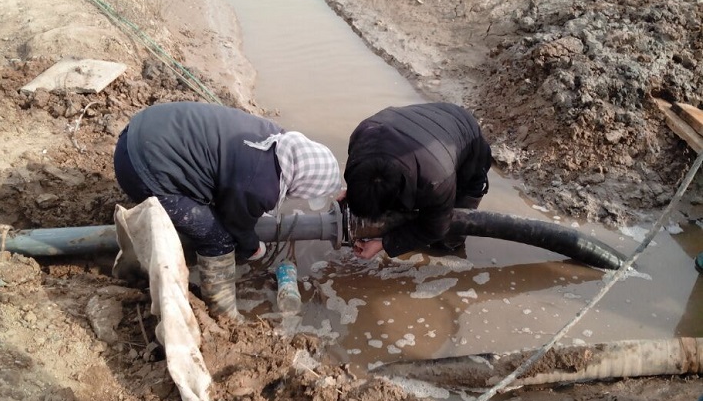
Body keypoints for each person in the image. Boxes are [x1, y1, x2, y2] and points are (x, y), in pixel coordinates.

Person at [113, 101, 341, 319]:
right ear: (306, 182)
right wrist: (253, 248)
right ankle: (223, 312)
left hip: (139, 131)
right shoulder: (260, 187)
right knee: (217, 238)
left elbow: (234, 185)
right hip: (138, 169)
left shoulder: (276, 138)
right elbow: (236, 225)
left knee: (209, 206)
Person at [344, 102, 491, 259]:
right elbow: (368, 180)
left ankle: (448, 250)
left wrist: (384, 244)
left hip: (468, 142)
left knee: (448, 238)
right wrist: (353, 194)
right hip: (428, 125)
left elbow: (436, 228)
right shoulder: (361, 138)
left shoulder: (437, 181)